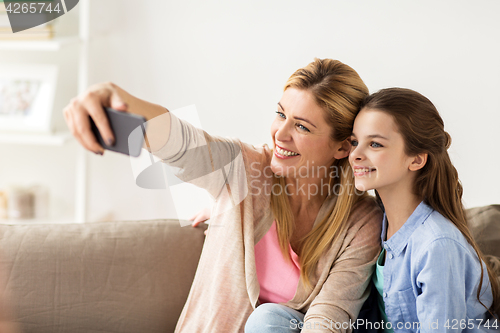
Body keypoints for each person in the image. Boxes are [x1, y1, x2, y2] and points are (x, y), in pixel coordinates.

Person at [64, 58, 383, 333]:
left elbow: (329, 318)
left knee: (269, 320)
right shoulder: (244, 170)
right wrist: (117, 98)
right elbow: (185, 147)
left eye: (302, 127)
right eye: (280, 114)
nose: (280, 134)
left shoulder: (361, 223)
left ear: (343, 147)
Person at [349, 88, 500, 332]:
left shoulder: (436, 244)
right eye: (355, 142)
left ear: (417, 159)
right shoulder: (377, 223)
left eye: (375, 144)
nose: (355, 154)